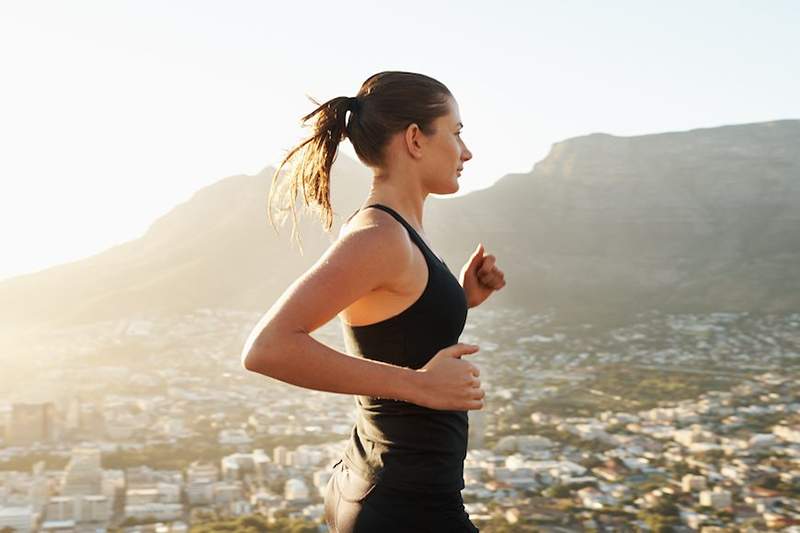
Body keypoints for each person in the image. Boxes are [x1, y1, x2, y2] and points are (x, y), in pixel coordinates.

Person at [241, 71, 506, 532]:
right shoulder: (380, 236)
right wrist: (420, 386)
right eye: (457, 133)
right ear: (415, 140)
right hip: (406, 504)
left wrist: (461, 298)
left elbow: (393, 331)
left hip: (393, 489)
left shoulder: (398, 231)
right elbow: (268, 348)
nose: (466, 151)